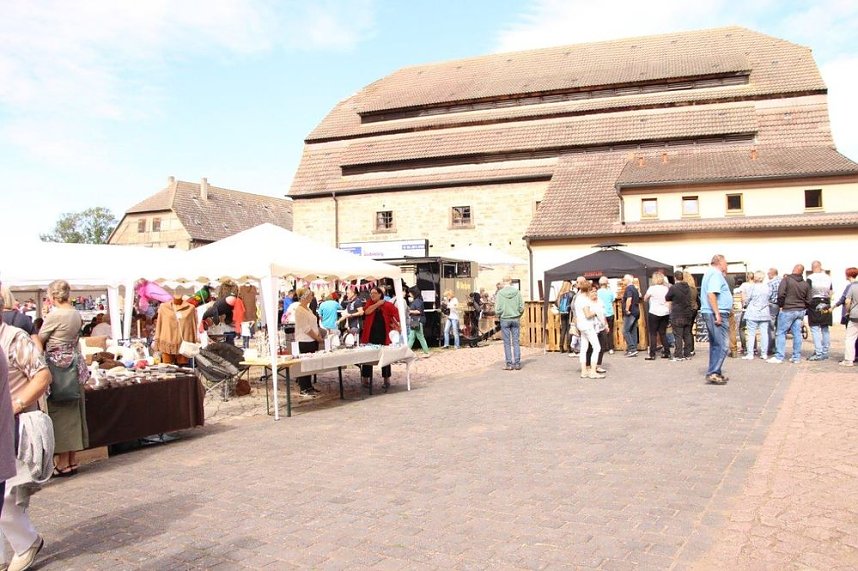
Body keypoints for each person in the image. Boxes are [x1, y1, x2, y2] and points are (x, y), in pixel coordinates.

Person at [0, 315, 51, 571]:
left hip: (15, 426)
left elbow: (42, 376)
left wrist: (16, 405)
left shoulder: (13, 338)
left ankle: (26, 542)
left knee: (8, 495)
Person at [39, 280, 89, 475]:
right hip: (74, 365)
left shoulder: (55, 315)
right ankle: (72, 459)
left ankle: (62, 462)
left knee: (59, 413)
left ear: (53, 296)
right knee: (74, 412)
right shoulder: (75, 313)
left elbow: (40, 339)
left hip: (57, 368)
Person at [768, 264, 812, 364]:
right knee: (797, 333)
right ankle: (796, 357)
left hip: (788, 309)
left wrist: (781, 305)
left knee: (781, 333)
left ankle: (779, 356)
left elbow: (781, 294)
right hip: (800, 310)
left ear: (794, 269)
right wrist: (803, 306)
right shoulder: (805, 284)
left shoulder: (786, 280)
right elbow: (809, 299)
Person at [360, 287, 400, 391]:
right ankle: (365, 379)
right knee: (368, 357)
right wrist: (378, 304)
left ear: (380, 294)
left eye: (374, 293)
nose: (372, 295)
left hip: (383, 335)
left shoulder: (387, 305)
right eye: (371, 293)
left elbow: (396, 315)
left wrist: (395, 325)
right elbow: (367, 312)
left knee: (385, 357)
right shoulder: (369, 303)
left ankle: (386, 379)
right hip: (370, 335)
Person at [700, 254, 732, 384]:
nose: (727, 265)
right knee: (722, 344)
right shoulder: (715, 274)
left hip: (712, 312)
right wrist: (717, 313)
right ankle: (713, 372)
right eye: (726, 263)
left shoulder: (710, 273)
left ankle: (715, 371)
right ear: (719, 262)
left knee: (715, 344)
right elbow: (711, 294)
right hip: (716, 313)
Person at [293, 290, 323, 397]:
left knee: (309, 365)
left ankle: (309, 386)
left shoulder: (308, 309)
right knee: (304, 364)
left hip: (312, 340)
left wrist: (318, 334)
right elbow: (306, 328)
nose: (312, 297)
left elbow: (313, 324)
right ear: (304, 297)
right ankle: (303, 387)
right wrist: (317, 337)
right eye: (310, 295)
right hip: (304, 340)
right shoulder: (299, 310)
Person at [806, 260, 833, 361]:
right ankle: (825, 352)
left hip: (814, 302)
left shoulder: (810, 277)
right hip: (826, 301)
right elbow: (831, 291)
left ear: (812, 267)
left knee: (814, 328)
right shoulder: (828, 277)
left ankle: (818, 352)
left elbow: (808, 291)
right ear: (820, 266)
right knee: (825, 328)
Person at [579, 285, 607, 378]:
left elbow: (603, 314)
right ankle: (590, 370)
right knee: (594, 347)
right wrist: (595, 312)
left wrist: (605, 324)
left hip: (596, 326)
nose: (594, 293)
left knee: (594, 347)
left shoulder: (599, 301)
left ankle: (589, 369)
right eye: (592, 291)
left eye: (595, 291)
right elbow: (587, 315)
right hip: (590, 326)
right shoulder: (585, 301)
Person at [742, 271, 771, 360]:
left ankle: (750, 353)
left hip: (753, 312)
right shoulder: (767, 287)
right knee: (764, 334)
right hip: (764, 312)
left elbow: (747, 299)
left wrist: (745, 303)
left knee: (751, 334)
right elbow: (770, 297)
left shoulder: (752, 287)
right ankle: (764, 353)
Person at [495, 278, 524, 371]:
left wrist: (500, 314)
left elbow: (497, 309)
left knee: (507, 343)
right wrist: (518, 314)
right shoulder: (517, 292)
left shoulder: (500, 293)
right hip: (515, 318)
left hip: (505, 319)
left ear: (504, 282)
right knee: (516, 341)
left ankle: (509, 364)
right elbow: (521, 307)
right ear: (511, 282)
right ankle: (517, 363)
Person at [665, 271, 693, 361]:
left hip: (677, 314)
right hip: (687, 313)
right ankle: (687, 354)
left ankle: (678, 355)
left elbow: (667, 297)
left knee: (678, 336)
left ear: (675, 278)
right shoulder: (688, 287)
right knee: (687, 334)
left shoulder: (673, 288)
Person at [643, 272, 671, 360]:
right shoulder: (666, 288)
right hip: (665, 312)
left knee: (653, 333)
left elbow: (645, 298)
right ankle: (667, 352)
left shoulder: (652, 288)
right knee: (663, 333)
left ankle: (652, 354)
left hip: (654, 311)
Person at [837, 268, 858, 366]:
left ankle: (849, 360)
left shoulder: (852, 287)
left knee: (850, 338)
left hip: (854, 315)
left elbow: (847, 301)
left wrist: (848, 311)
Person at [404, 287, 430, 357]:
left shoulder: (417, 301)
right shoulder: (417, 300)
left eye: (410, 292)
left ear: (413, 293)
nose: (409, 294)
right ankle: (407, 353)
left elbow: (419, 311)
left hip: (417, 321)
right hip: (415, 321)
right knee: (412, 337)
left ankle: (426, 352)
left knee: (418, 337)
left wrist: (409, 311)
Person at [621, 274, 640, 357]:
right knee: (633, 331)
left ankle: (632, 349)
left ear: (627, 280)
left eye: (624, 279)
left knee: (625, 331)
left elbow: (629, 298)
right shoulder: (635, 288)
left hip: (631, 312)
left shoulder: (629, 288)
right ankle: (633, 349)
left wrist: (627, 309)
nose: (623, 281)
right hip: (636, 311)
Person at [596, 277, 615, 354]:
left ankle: (602, 347)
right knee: (610, 331)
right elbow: (612, 300)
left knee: (600, 331)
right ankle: (611, 348)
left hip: (601, 314)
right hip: (610, 312)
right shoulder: (610, 292)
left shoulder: (597, 292)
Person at [766, 268, 781, 356]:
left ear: (772, 274)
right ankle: (779, 347)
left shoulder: (770, 283)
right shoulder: (783, 281)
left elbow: (768, 295)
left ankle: (772, 348)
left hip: (772, 305)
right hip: (782, 306)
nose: (767, 275)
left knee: (771, 327)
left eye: (768, 273)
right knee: (779, 328)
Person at [555, 281, 574, 353]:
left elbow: (556, 303)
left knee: (563, 329)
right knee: (569, 329)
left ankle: (561, 347)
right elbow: (573, 303)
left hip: (562, 313)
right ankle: (569, 347)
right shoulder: (572, 293)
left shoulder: (560, 294)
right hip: (569, 313)